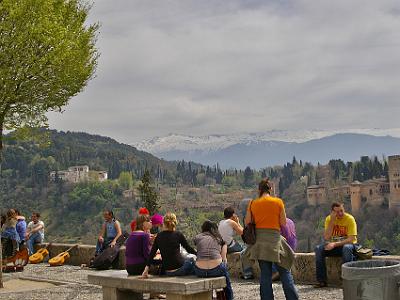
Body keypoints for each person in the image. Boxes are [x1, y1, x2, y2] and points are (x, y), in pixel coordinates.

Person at [245, 178, 298, 300]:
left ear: (259, 190)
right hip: (275, 240)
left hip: (260, 242)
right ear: (271, 189)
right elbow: (283, 222)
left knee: (265, 275)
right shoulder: (278, 202)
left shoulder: (253, 203)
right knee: (284, 271)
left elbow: (248, 222)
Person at [314, 202, 357, 288]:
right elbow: (326, 237)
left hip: (348, 246)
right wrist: (332, 222)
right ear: (332, 212)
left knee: (346, 248)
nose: (340, 213)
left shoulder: (349, 219)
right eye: (337, 212)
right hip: (334, 246)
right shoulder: (329, 219)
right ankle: (322, 280)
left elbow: (351, 239)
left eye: (341, 211)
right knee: (318, 249)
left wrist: (335, 244)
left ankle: (347, 280)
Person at [142, 212, 196, 277]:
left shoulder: (158, 236)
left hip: (167, 271)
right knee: (191, 260)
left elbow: (152, 254)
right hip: (180, 269)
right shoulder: (178, 234)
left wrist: (146, 270)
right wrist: (199, 254)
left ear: (164, 223)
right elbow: (189, 249)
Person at [194, 220, 234, 300]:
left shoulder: (197, 237)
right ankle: (229, 297)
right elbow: (223, 257)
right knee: (227, 283)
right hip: (216, 269)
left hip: (200, 271)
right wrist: (224, 261)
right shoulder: (219, 239)